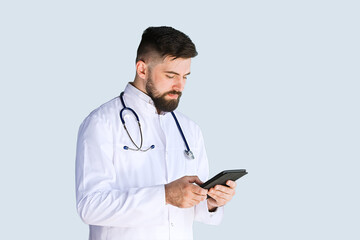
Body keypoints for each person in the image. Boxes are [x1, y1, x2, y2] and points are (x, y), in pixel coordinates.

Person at [75, 26, 237, 240]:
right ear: (142, 69)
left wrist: (212, 201)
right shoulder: (101, 123)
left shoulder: (189, 129)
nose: (180, 86)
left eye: (185, 76)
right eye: (171, 75)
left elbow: (192, 206)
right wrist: (165, 195)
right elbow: (90, 207)